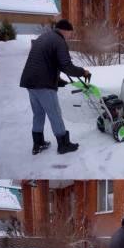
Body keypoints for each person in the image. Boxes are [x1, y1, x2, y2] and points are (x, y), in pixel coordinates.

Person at [19, 19, 91, 155]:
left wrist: (57, 79)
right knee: (55, 114)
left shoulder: (44, 37)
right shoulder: (59, 41)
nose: (70, 36)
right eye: (70, 33)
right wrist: (83, 72)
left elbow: (46, 61)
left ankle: (38, 143)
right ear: (65, 30)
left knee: (38, 114)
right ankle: (63, 144)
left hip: (30, 82)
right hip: (43, 84)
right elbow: (67, 66)